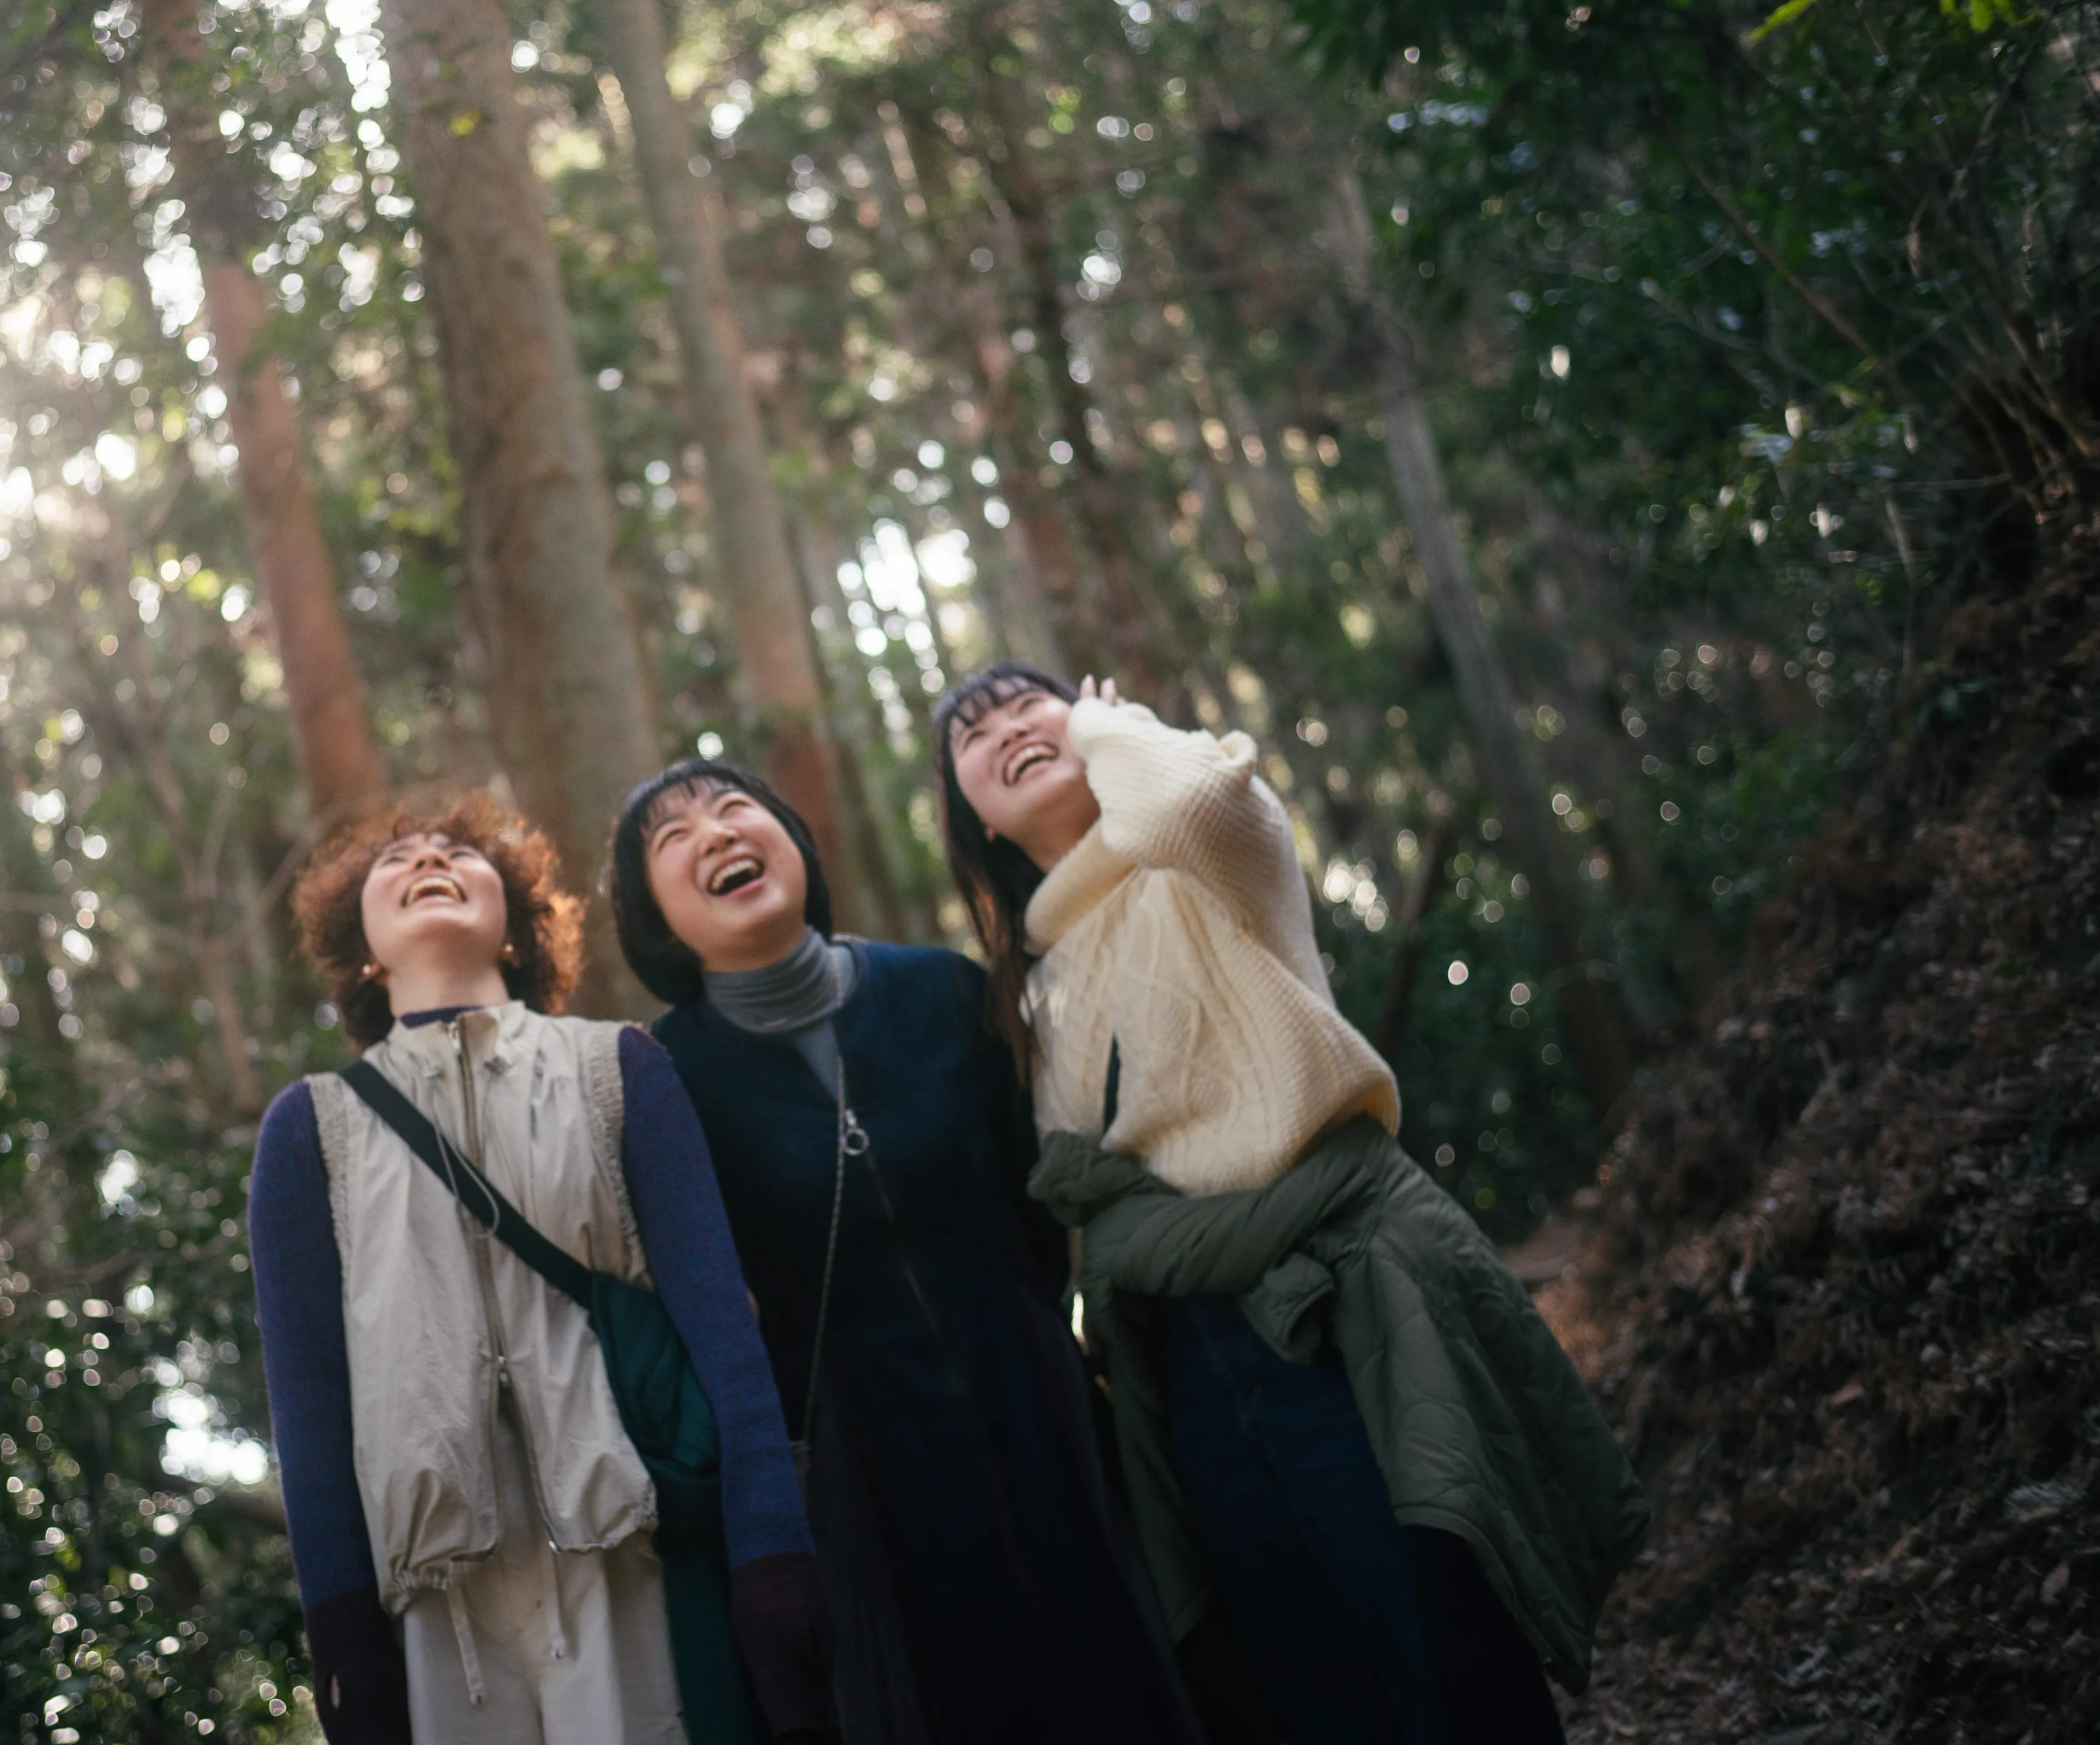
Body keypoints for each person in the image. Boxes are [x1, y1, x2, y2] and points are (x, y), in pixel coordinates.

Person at [934, 661, 1650, 1745]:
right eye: (971, 733)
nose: (1004, 729)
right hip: (1190, 1364)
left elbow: (1186, 801)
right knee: (1312, 1689)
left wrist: (1108, 723)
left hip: (1330, 1308)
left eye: (1028, 702)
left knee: (1443, 1653)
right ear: (974, 816)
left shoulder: (1211, 847)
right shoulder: (1031, 989)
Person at [608, 758, 1203, 1745]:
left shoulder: (945, 991)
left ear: (795, 842)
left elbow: (1035, 1204)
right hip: (860, 1471)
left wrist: (1018, 1331)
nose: (715, 834)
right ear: (656, 922)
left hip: (1038, 1406)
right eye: (674, 838)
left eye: (735, 807)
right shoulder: (663, 1080)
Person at [248, 791, 835, 1744]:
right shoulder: (312, 1130)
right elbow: (308, 1406)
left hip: (640, 1565)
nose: (429, 861)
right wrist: (341, 1628)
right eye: (398, 861)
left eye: (457, 854)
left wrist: (772, 1550)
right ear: (363, 954)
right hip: (441, 1616)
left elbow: (723, 1332)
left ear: (520, 930)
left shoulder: (622, 1069)